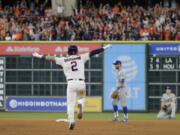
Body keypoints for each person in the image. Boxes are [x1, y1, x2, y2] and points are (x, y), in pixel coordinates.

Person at [32, 44, 112, 130]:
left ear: (68, 52)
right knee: (81, 98)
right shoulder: (81, 57)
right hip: (81, 83)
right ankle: (80, 104)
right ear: (76, 51)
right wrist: (105, 47)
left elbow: (50, 58)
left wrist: (39, 56)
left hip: (71, 84)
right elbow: (94, 52)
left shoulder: (64, 60)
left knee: (70, 103)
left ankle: (71, 120)